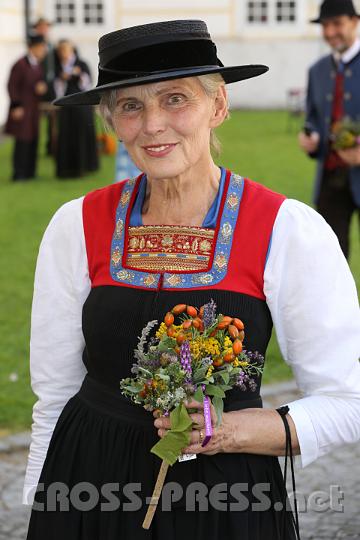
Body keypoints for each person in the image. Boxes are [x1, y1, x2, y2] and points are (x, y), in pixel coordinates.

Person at [23, 20, 360, 540]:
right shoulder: (77, 225)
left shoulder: (287, 229)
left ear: (218, 106)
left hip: (225, 500)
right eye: (130, 106)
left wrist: (234, 431)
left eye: (176, 98)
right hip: (87, 484)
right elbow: (54, 395)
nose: (154, 124)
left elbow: (347, 402)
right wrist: (43, 507)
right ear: (111, 120)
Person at [298, 0, 360, 259]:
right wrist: (310, 136)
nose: (330, 32)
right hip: (329, 178)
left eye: (337, 24)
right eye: (325, 26)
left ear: (355, 23)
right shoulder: (317, 70)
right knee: (331, 258)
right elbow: (312, 117)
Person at [4, 33, 48, 180]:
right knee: (22, 141)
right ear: (34, 48)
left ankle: (31, 172)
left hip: (33, 109)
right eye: (42, 47)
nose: (44, 50)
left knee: (33, 139)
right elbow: (11, 85)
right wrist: (16, 106)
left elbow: (38, 83)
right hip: (22, 109)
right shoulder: (20, 64)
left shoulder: (37, 64)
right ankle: (19, 174)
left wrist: (41, 87)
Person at [54, 39, 99, 178]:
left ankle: (84, 166)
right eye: (61, 51)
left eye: (66, 50)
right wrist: (62, 78)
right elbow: (56, 88)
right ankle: (67, 168)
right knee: (66, 135)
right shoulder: (58, 67)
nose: (64, 54)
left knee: (81, 134)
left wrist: (78, 74)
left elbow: (88, 84)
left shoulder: (82, 64)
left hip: (81, 106)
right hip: (66, 108)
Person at [32, 17, 57, 155]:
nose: (43, 29)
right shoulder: (34, 43)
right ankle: (33, 146)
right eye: (40, 27)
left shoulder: (51, 43)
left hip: (51, 84)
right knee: (35, 116)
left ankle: (51, 146)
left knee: (53, 117)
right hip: (39, 84)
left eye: (45, 27)